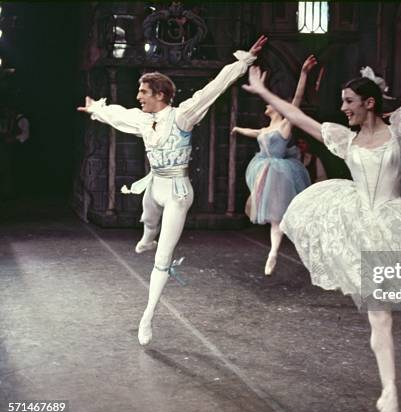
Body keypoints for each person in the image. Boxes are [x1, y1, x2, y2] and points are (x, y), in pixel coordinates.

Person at [242, 7, 401, 412]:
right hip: (356, 218)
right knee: (378, 315)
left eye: (349, 101)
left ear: (370, 103)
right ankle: (390, 391)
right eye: (342, 103)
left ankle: (388, 392)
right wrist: (266, 94)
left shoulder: (400, 129)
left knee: (383, 314)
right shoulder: (345, 139)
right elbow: (300, 118)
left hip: (392, 222)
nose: (343, 108)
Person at [77, 35, 268, 345]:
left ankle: (147, 316)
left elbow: (213, 89)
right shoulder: (142, 119)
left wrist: (243, 62)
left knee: (162, 258)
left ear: (161, 94)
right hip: (154, 185)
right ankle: (147, 236)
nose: (138, 96)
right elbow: (118, 115)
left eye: (143, 92)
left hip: (178, 191)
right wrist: (96, 110)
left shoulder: (182, 116)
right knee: (149, 223)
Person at [232, 55, 316, 275]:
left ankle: (274, 252)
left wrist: (304, 75)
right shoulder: (266, 129)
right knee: (275, 219)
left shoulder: (285, 126)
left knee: (279, 217)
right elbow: (255, 133)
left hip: (280, 174)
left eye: (270, 104)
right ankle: (274, 251)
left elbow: (296, 101)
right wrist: (238, 129)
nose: (267, 106)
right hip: (264, 171)